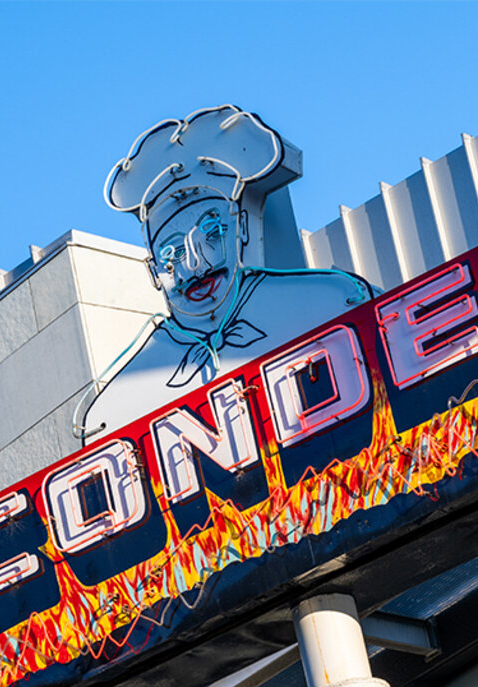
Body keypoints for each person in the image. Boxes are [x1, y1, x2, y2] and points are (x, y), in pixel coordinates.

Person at [76, 105, 372, 441]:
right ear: (153, 270)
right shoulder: (117, 407)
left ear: (242, 227)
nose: (196, 265)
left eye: (213, 233)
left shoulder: (329, 302)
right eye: (172, 254)